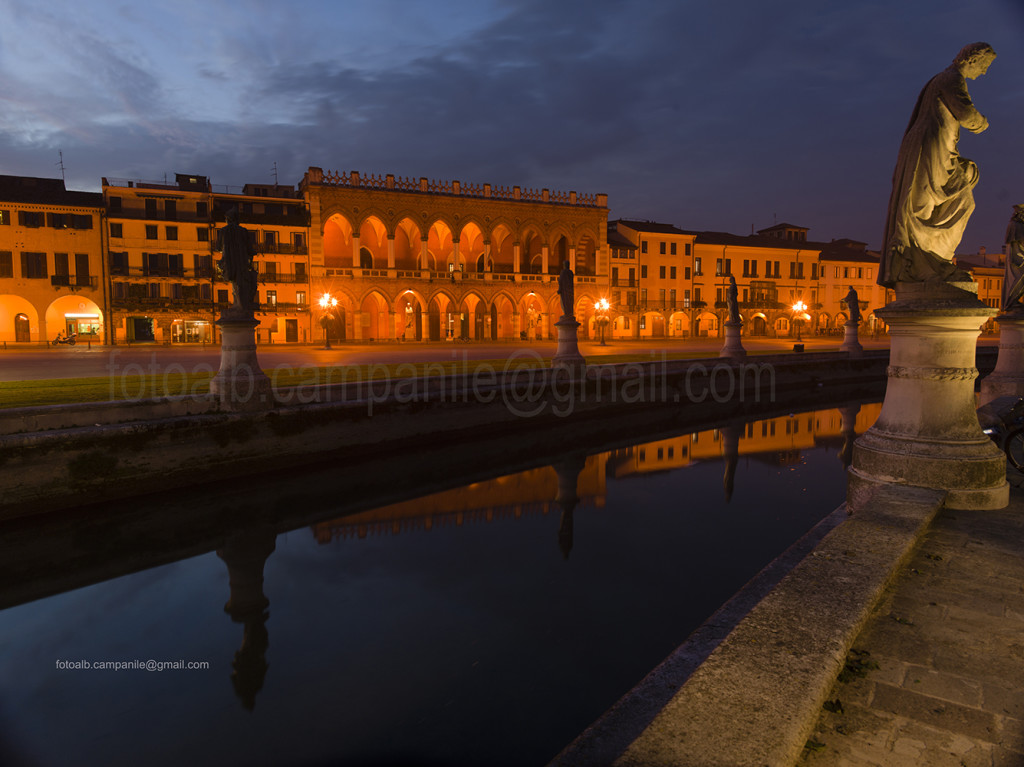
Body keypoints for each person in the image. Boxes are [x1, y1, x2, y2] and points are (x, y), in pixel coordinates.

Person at [879, 42, 996, 288]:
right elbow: (965, 114)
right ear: (972, 59)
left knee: (962, 199)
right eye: (985, 66)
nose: (984, 72)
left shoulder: (942, 78)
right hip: (929, 149)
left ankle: (936, 260)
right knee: (919, 207)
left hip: (939, 149)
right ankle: (923, 265)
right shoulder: (951, 78)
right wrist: (982, 122)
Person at [217, 207, 258, 315]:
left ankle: (238, 305)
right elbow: (250, 249)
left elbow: (218, 247)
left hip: (229, 261)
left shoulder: (223, 231)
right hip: (242, 261)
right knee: (241, 282)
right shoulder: (243, 231)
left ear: (228, 219)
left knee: (234, 282)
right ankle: (240, 306)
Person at [1003, 204, 1024, 309]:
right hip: (1018, 262)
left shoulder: (1017, 225)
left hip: (1019, 259)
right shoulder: (1016, 225)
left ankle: (1013, 301)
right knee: (1018, 280)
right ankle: (1011, 301)